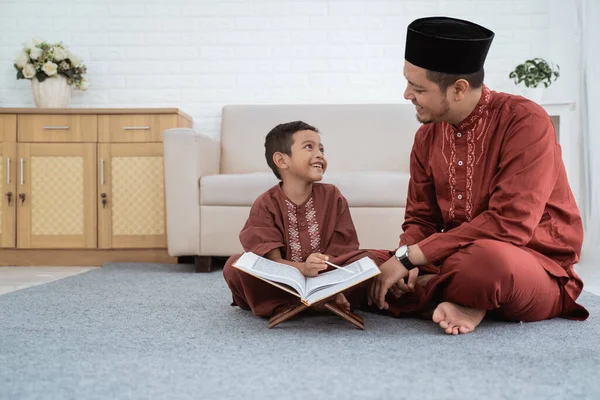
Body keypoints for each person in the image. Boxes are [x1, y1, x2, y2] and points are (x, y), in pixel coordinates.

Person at [367, 16, 589, 335]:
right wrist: (405, 260)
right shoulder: (427, 137)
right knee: (359, 264)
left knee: (487, 264)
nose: (406, 95)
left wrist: (412, 258)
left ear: (458, 89)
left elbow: (510, 224)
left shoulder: (526, 122)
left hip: (530, 264)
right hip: (451, 257)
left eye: (417, 88)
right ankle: (449, 294)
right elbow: (421, 221)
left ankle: (446, 293)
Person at [223, 121, 389, 318]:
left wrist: (321, 265)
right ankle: (314, 302)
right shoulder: (265, 204)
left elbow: (344, 250)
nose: (319, 154)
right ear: (282, 160)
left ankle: (318, 298)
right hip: (283, 283)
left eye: (321, 149)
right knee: (235, 266)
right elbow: (271, 262)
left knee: (368, 259)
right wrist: (303, 268)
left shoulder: (332, 195)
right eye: (309, 147)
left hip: (327, 276)